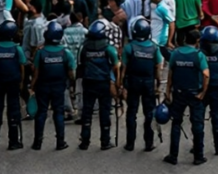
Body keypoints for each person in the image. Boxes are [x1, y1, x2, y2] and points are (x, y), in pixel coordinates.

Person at [164, 28, 209, 165]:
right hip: (194, 93)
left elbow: (170, 73)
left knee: (176, 123)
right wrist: (203, 92)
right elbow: (206, 75)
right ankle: (198, 156)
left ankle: (173, 155)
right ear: (197, 41)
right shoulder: (198, 55)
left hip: (178, 93)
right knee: (197, 124)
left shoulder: (175, 53)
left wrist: (168, 90)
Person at [31, 20, 74, 151]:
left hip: (43, 87)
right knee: (59, 113)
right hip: (59, 87)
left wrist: (32, 86)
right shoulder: (66, 53)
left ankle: (37, 142)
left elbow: (36, 72)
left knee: (41, 113)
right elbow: (71, 72)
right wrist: (71, 85)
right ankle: (60, 142)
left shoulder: (40, 53)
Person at [77, 18, 120, 151]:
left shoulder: (84, 48)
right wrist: (116, 82)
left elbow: (81, 64)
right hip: (104, 84)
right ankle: (105, 141)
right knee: (105, 112)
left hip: (88, 83)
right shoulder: (108, 48)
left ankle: (85, 141)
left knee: (87, 112)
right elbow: (116, 65)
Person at [121, 17, 162, 152]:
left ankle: (130, 143)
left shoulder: (129, 48)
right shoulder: (154, 48)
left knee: (131, 112)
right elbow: (158, 67)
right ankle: (148, 143)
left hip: (133, 82)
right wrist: (158, 83)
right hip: (148, 83)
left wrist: (121, 85)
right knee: (149, 113)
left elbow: (124, 68)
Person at [0, 19, 26, 150]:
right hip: (13, 82)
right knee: (14, 111)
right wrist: (21, 82)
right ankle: (14, 141)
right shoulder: (17, 49)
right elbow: (22, 67)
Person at [199, 26, 218, 156]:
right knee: (216, 116)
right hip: (216, 86)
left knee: (198, 117)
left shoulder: (200, 52)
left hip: (201, 88)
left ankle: (198, 146)